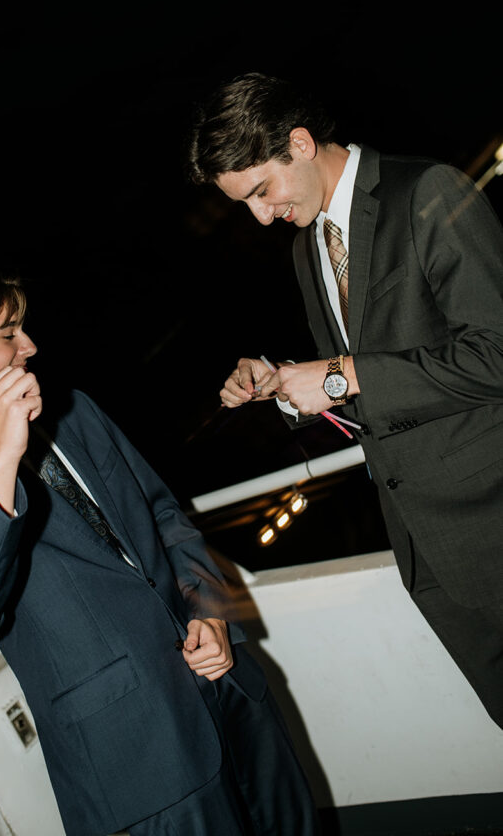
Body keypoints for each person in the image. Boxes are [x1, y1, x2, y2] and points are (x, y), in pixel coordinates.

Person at [0, 261, 318, 836]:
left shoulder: (75, 410)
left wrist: (211, 613)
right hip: (140, 764)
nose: (30, 346)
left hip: (231, 696)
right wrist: (0, 460)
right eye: (9, 334)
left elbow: (166, 518)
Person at [187, 72, 503, 729]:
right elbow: (373, 393)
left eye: (260, 191)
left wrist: (339, 375)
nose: (260, 215)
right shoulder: (309, 250)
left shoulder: (427, 190)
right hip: (427, 550)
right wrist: (283, 385)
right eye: (242, 202)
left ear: (299, 144)